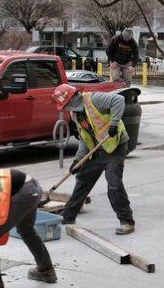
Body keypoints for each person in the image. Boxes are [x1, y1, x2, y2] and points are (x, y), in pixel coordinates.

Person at [52, 83, 135, 235]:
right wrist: (78, 161)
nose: (65, 109)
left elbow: (119, 100)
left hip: (115, 146)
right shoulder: (76, 114)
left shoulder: (94, 99)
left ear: (73, 99)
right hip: (99, 150)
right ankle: (68, 215)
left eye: (66, 105)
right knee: (83, 179)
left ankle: (127, 221)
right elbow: (85, 138)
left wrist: (114, 123)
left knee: (114, 183)